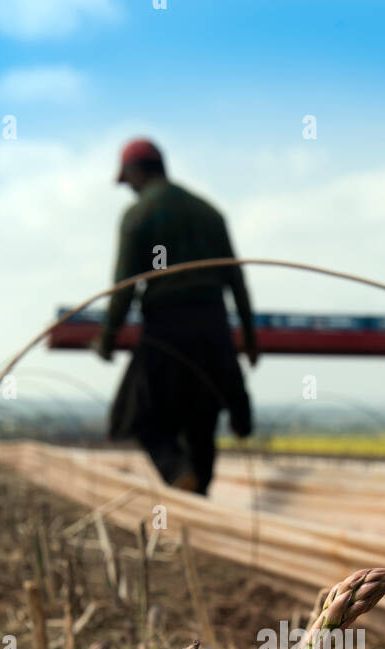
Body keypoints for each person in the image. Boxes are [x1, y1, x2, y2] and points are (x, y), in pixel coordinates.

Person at [94, 138, 259, 494]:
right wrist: (248, 337)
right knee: (202, 419)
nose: (130, 190)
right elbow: (236, 279)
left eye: (129, 181)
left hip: (165, 329)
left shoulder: (138, 216)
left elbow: (124, 285)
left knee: (138, 414)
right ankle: (197, 501)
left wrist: (107, 339)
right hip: (214, 327)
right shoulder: (209, 213)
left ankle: (175, 469)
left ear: (137, 171)